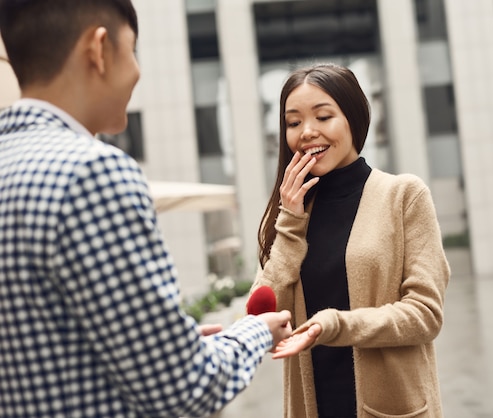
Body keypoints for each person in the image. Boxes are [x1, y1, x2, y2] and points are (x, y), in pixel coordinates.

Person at [0, 1, 292, 417]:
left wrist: (169, 343)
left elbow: (46, 350)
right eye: (133, 48)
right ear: (99, 50)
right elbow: (185, 389)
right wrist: (254, 332)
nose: (137, 70)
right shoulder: (93, 172)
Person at [252, 63, 451, 418]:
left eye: (323, 117)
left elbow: (425, 315)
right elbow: (261, 318)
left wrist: (335, 325)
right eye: (294, 122)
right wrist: (291, 223)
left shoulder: (404, 196)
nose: (307, 132)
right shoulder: (284, 217)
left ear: (353, 120)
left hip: (394, 409)